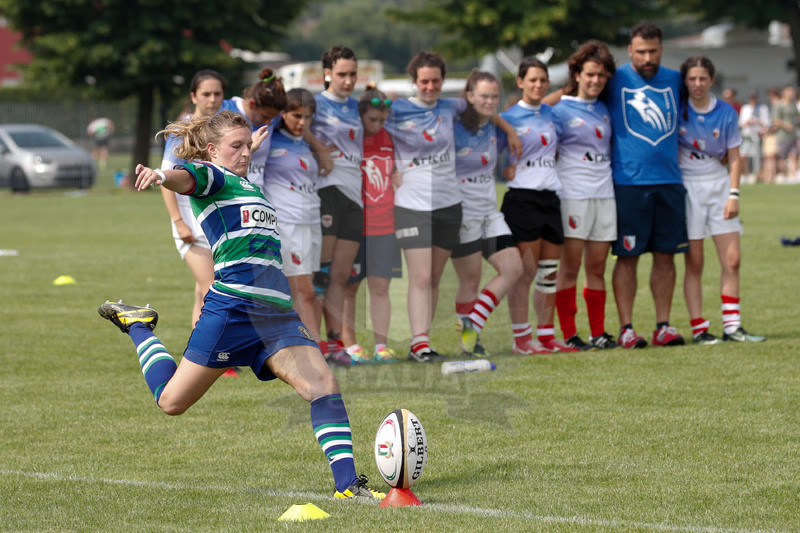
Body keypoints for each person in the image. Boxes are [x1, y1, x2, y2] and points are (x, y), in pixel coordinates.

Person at [98, 110, 384, 501]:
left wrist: (250, 142)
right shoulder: (212, 176)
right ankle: (139, 324)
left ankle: (348, 485)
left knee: (323, 385)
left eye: (248, 146)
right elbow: (190, 177)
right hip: (231, 311)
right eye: (236, 147)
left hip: (277, 315)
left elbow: (236, 159)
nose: (245, 153)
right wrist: (164, 175)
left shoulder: (246, 184)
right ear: (212, 150)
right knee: (171, 402)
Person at [385, 51, 521, 362]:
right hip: (414, 205)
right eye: (424, 81)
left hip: (453, 207)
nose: (430, 86)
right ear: (415, 82)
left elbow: (484, 109)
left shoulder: (452, 107)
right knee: (428, 278)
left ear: (443, 81)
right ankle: (421, 343)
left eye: (435, 80)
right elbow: (370, 121)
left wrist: (510, 131)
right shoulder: (400, 109)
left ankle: (456, 337)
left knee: (437, 277)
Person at [605, 22, 687, 348]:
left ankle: (663, 326)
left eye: (653, 51)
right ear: (630, 51)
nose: (647, 58)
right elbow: (570, 93)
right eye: (641, 52)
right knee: (628, 257)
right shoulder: (614, 79)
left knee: (666, 256)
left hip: (670, 181)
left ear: (661, 49)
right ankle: (626, 328)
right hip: (629, 183)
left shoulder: (676, 80)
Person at [678, 56, 766, 344]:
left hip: (719, 186)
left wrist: (734, 193)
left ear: (712, 80)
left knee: (733, 259)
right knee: (695, 262)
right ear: (685, 81)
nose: (697, 84)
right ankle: (700, 328)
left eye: (703, 78)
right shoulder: (677, 109)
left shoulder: (726, 112)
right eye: (692, 79)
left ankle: (732, 326)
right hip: (688, 189)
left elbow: (735, 158)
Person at [500, 57, 578, 354]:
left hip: (550, 198)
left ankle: (546, 335)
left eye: (542, 80)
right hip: (522, 198)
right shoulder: (508, 117)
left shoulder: (551, 114)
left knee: (548, 273)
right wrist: (506, 168)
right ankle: (522, 340)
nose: (537, 85)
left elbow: (561, 95)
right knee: (526, 272)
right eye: (531, 80)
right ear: (520, 82)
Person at [551, 41, 620, 351]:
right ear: (577, 74)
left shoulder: (607, 108)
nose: (595, 80)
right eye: (590, 74)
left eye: (602, 75)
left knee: (597, 268)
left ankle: (599, 332)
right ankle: (569, 333)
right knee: (570, 267)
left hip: (604, 195)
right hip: (572, 195)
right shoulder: (560, 108)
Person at [454, 71, 523, 357]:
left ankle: (473, 325)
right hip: (461, 214)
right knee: (469, 280)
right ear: (469, 96)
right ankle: (469, 341)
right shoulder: (454, 125)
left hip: (489, 213)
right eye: (483, 95)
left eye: (494, 96)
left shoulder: (494, 126)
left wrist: (508, 130)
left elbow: (493, 117)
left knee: (514, 268)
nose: (490, 101)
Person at [160, 70, 230, 329]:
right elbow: (165, 180)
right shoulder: (184, 132)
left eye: (218, 94)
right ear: (193, 96)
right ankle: (210, 356)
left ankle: (203, 355)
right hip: (190, 222)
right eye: (206, 94)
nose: (212, 99)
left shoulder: (223, 129)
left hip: (216, 221)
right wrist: (178, 222)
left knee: (204, 292)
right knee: (213, 289)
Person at [261, 88, 327, 353]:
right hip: (286, 223)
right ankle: (315, 350)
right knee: (304, 291)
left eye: (308, 117)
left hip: (311, 220)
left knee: (307, 291)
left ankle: (300, 346)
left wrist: (308, 134)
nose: (302, 122)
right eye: (296, 115)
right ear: (282, 114)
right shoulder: (270, 140)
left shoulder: (307, 141)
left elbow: (328, 165)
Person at [310, 45, 364, 366]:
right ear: (327, 73)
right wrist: (319, 149)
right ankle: (314, 344)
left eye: (352, 74)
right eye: (341, 74)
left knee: (341, 276)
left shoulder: (358, 106)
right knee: (322, 274)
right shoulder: (315, 104)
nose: (347, 80)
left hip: (355, 198)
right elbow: (294, 123)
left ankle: (335, 344)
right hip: (327, 192)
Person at [341, 89, 402, 363]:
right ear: (361, 116)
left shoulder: (390, 137)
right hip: (355, 226)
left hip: (386, 225)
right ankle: (350, 344)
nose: (377, 125)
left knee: (380, 288)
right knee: (349, 287)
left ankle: (381, 346)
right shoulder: (351, 138)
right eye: (372, 119)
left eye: (382, 119)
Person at [738, 91, 770, 183]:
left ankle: (757, 175)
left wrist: (757, 122)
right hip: (747, 135)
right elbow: (741, 123)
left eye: (754, 97)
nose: (752, 100)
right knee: (743, 155)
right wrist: (748, 122)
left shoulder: (763, 108)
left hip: (757, 135)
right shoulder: (745, 108)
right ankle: (746, 174)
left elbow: (766, 123)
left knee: (757, 157)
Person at [770, 85, 798, 182]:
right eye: (789, 91)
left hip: (793, 135)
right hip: (782, 136)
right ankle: (783, 175)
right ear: (784, 92)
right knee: (782, 157)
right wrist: (786, 125)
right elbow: (775, 120)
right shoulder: (779, 105)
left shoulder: (793, 104)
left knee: (793, 156)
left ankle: (792, 176)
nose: (792, 93)